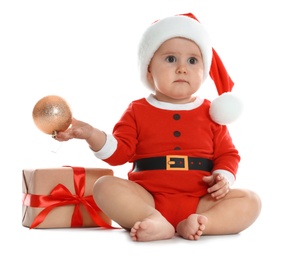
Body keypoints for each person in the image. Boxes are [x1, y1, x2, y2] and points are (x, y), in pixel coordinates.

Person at [55, 13, 261, 242]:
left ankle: (202, 223)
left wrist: (222, 178)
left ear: (204, 71)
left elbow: (227, 154)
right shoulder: (137, 110)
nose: (182, 68)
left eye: (193, 61)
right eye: (171, 59)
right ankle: (152, 219)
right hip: (148, 198)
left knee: (251, 201)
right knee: (104, 186)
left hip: (201, 201)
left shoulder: (211, 112)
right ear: (149, 69)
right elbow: (119, 153)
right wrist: (91, 134)